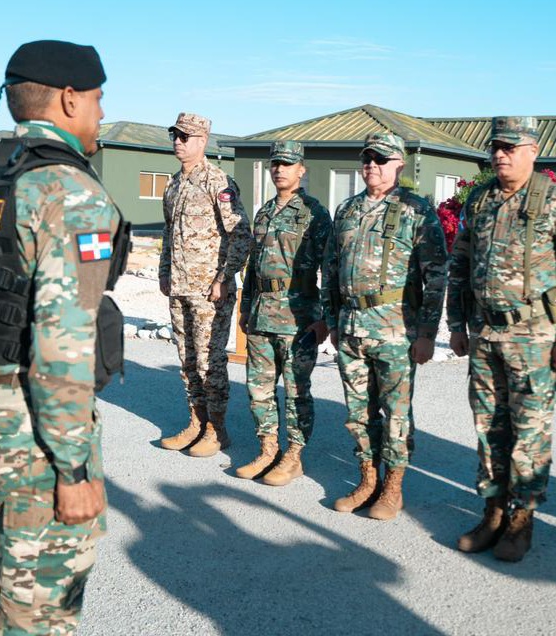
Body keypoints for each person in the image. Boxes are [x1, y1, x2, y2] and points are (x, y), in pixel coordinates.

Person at [0, 39, 129, 633]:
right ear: (69, 99)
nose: (100, 115)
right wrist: (73, 468)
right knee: (37, 614)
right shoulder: (71, 194)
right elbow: (62, 341)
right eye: (97, 100)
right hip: (32, 441)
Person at [447, 116, 556, 562]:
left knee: (529, 431)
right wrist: (457, 323)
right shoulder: (480, 200)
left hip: (535, 337)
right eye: (496, 147)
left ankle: (521, 518)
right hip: (487, 332)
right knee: (488, 425)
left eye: (511, 147)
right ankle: (493, 509)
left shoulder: (555, 202)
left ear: (533, 150)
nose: (500, 154)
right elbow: (461, 261)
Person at [323, 133, 448, 520]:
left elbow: (437, 275)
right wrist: (332, 319)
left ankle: (393, 489)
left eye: (380, 158)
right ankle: (367, 480)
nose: (371, 165)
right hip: (350, 328)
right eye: (366, 158)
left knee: (395, 413)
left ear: (399, 164)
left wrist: (427, 333)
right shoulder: (346, 210)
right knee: (358, 412)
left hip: (395, 329)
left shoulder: (416, 211)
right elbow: (330, 268)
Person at [235, 140, 332, 485]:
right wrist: (245, 309)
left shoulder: (314, 214)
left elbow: (330, 268)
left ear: (301, 170)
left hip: (298, 316)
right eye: (275, 163)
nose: (280, 169)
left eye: (287, 164)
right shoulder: (264, 212)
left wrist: (325, 317)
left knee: (295, 390)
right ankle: (267, 449)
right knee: (258, 388)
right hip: (262, 314)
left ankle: (293, 456)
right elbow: (252, 266)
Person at [158, 112, 251, 457]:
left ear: (202, 141)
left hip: (209, 291)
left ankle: (217, 429)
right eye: (175, 136)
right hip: (180, 286)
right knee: (186, 359)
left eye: (185, 137)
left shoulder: (218, 182)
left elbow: (240, 234)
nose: (178, 142)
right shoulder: (173, 184)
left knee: (209, 361)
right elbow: (168, 234)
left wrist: (225, 278)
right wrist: (164, 271)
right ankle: (196, 422)